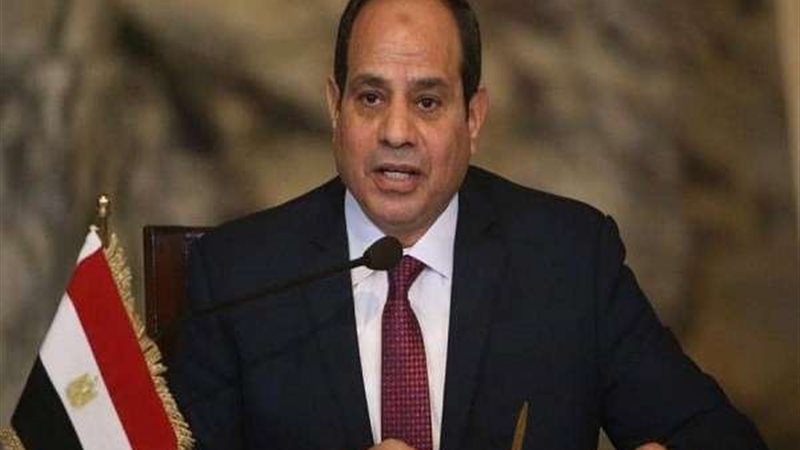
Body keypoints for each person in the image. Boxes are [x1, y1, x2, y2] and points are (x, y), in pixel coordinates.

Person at [169, 0, 768, 449]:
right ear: (335, 108)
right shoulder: (239, 277)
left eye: (427, 101)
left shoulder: (569, 258)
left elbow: (716, 437)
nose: (396, 132)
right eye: (371, 97)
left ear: (473, 118)